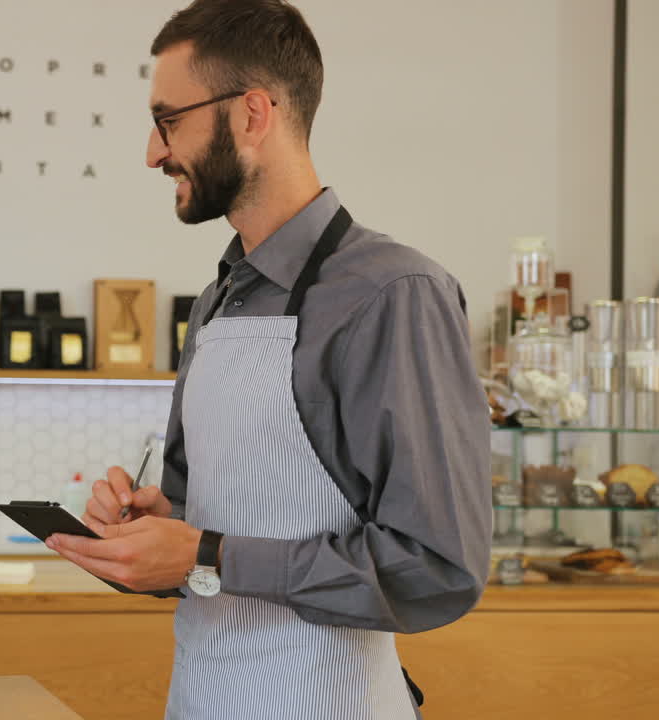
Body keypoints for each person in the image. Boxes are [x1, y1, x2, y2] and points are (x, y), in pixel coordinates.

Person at [45, 2, 491, 718]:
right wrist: (158, 528)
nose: (154, 153)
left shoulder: (394, 293)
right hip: (201, 700)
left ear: (252, 115)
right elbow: (210, 533)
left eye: (168, 121)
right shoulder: (217, 300)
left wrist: (206, 554)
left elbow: (438, 568)